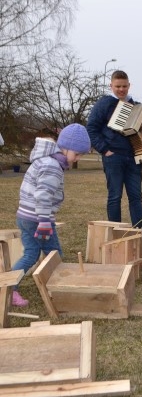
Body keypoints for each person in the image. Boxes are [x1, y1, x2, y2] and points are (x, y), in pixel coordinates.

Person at [10, 124, 91, 307]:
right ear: (65, 147)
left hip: (26, 216)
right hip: (38, 219)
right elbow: (43, 195)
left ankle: (9, 287)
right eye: (76, 154)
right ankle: (57, 288)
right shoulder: (52, 166)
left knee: (32, 253)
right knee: (52, 253)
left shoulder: (46, 160)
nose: (77, 159)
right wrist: (45, 221)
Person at [87, 70, 142, 229]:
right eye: (118, 86)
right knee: (115, 197)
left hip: (134, 158)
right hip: (113, 157)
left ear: (129, 85)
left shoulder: (136, 106)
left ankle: (140, 232)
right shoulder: (104, 103)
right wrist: (105, 150)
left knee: (136, 197)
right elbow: (91, 128)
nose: (121, 89)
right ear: (111, 86)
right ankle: (116, 231)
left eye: (124, 86)